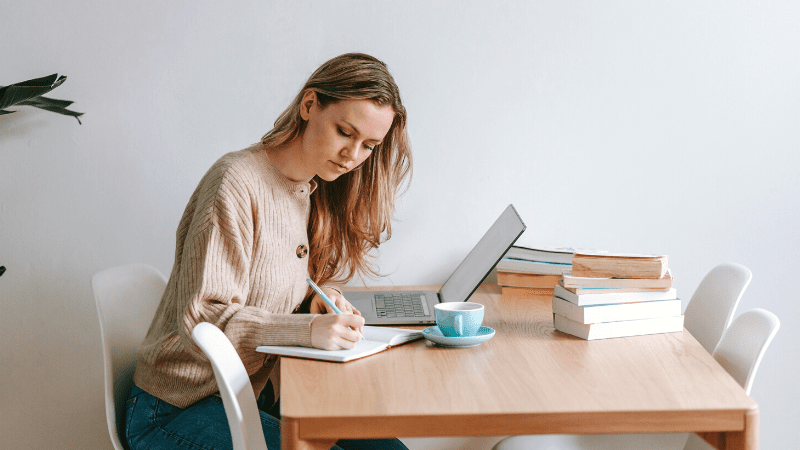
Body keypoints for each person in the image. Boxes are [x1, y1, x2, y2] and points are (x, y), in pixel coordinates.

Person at [125, 53, 412, 450]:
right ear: (309, 105)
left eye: (369, 145)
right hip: (175, 409)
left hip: (247, 396)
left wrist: (316, 304)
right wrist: (306, 331)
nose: (353, 156)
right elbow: (202, 317)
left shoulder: (306, 188)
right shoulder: (236, 182)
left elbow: (269, 283)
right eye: (345, 132)